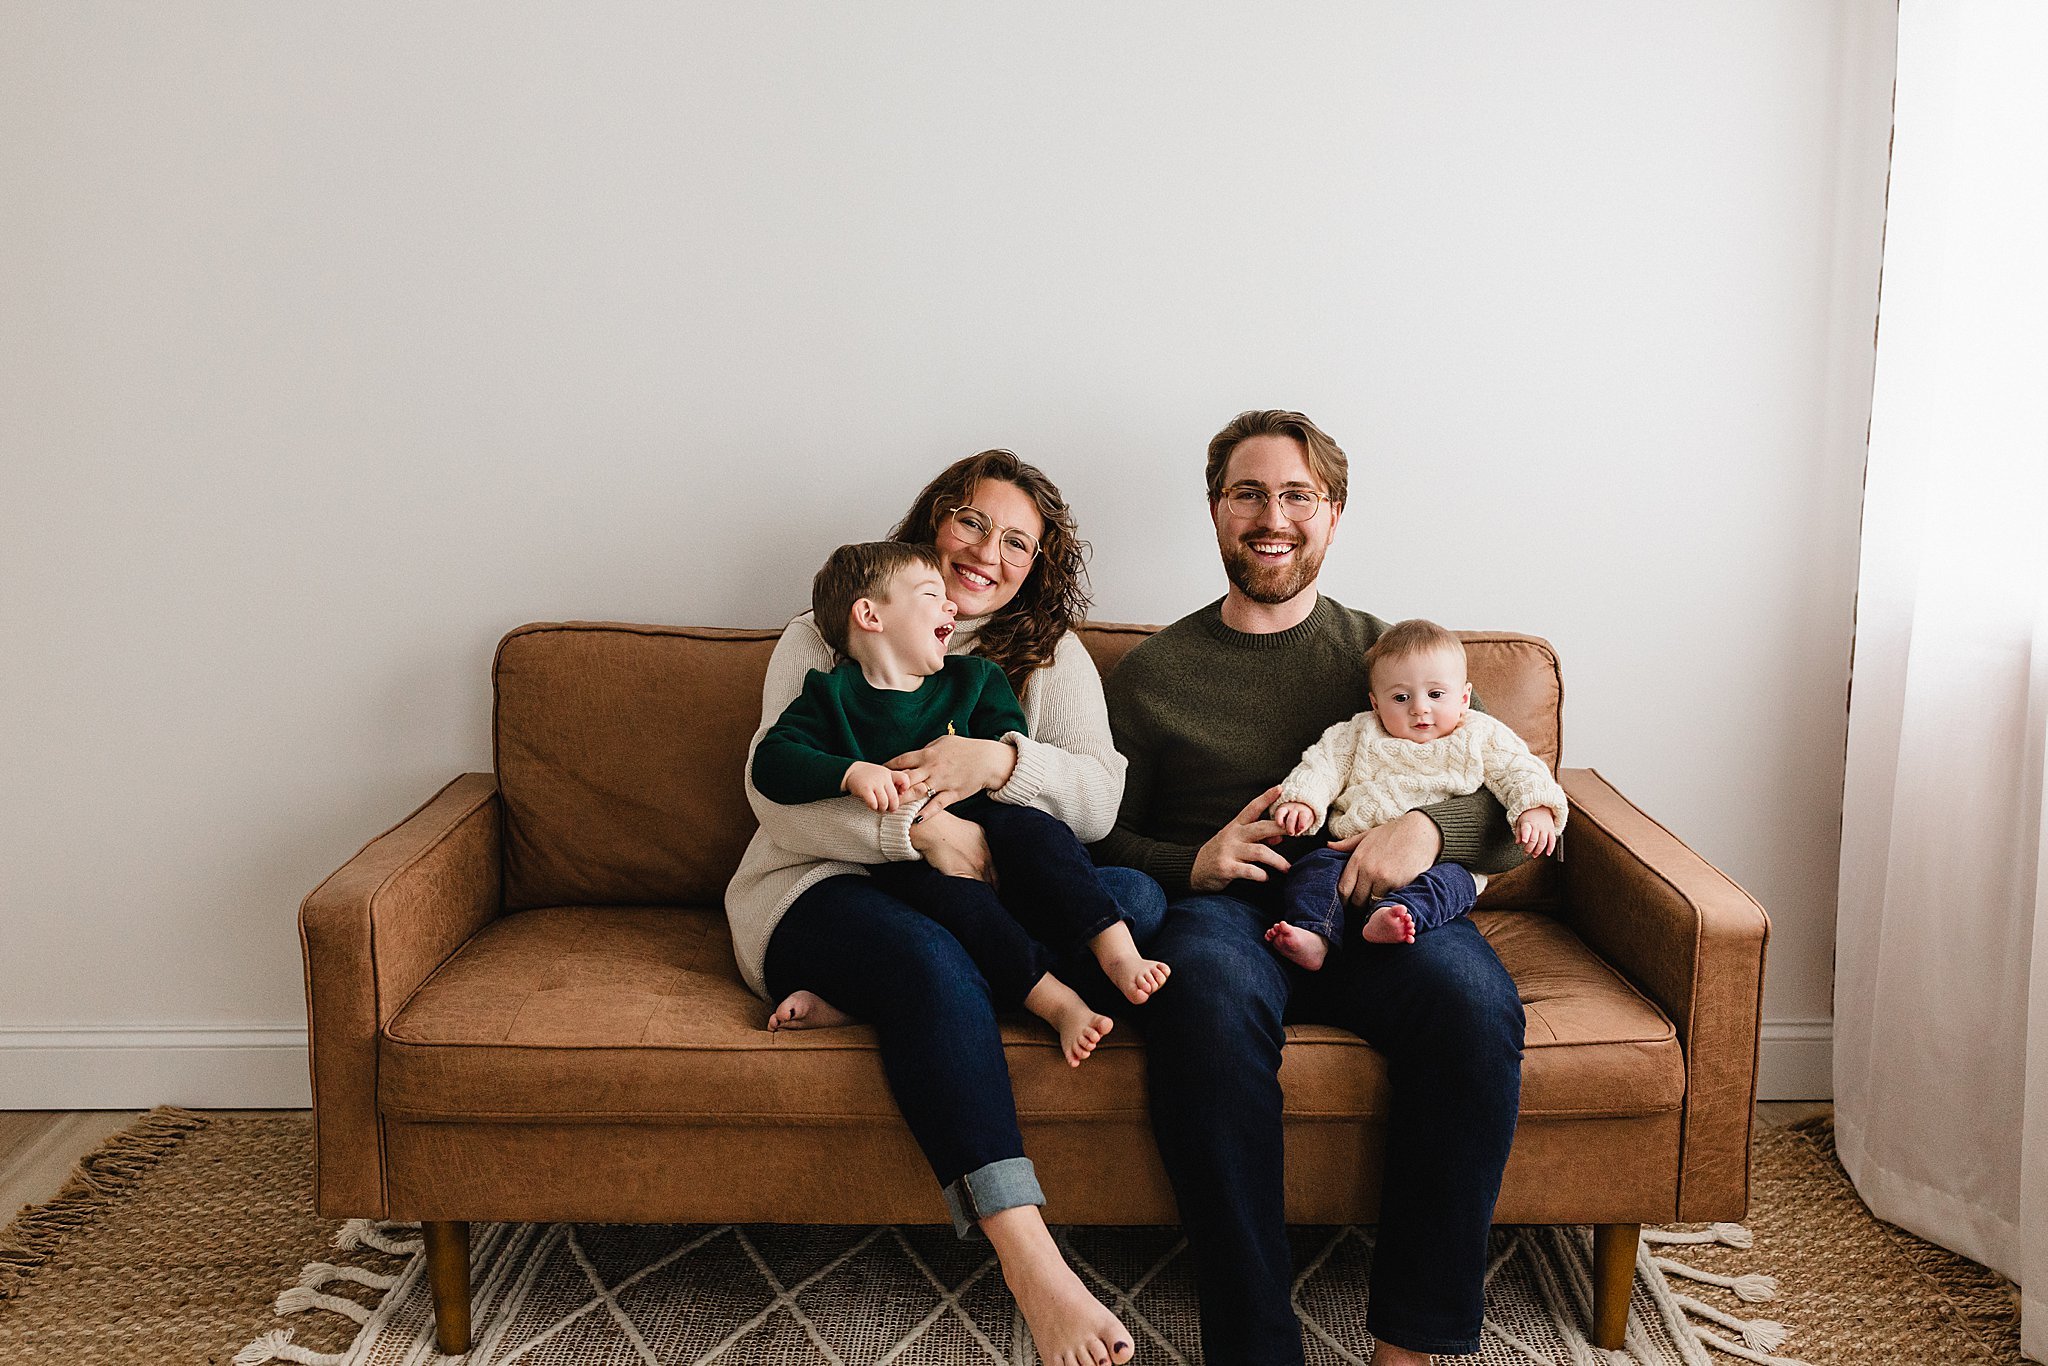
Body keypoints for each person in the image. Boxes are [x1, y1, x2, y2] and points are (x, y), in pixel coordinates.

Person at [1094, 410, 1529, 1366]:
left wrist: (1427, 828)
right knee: (1201, 1007)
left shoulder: (1401, 658)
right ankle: (1255, 1350)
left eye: (1298, 494)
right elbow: (1089, 831)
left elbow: (1512, 794)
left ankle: (1410, 1344)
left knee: (1473, 1004)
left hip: (1382, 911)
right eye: (1248, 493)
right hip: (1225, 915)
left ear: (1333, 515)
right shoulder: (1153, 673)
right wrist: (1192, 864)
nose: (1272, 516)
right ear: (1215, 511)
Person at [725, 450, 1152, 1366]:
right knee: (925, 955)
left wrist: (994, 764)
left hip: (980, 895)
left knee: (1138, 899)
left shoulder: (1045, 655)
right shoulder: (829, 632)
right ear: (934, 520)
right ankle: (1031, 1262)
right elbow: (774, 795)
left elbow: (1100, 801)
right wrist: (912, 836)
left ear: (1036, 566)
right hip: (822, 889)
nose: (987, 552)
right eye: (972, 522)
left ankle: (879, 1000)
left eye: (1017, 543)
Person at [750, 539, 1169, 1065]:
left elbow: (1010, 750)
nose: (950, 603)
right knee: (966, 921)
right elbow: (771, 764)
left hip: (996, 832)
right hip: (913, 871)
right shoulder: (828, 696)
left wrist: (991, 758)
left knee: (1040, 835)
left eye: (1017, 542)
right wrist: (849, 772)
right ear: (869, 615)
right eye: (931, 593)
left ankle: (1119, 953)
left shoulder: (975, 680)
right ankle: (1058, 1004)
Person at [1262, 616, 1567, 972]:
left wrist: (1536, 807)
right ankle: (1315, 934)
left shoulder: (1481, 734)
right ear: (1376, 704)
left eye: (1436, 695)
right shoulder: (1358, 733)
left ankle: (1396, 917)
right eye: (1401, 697)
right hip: (1349, 855)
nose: (1420, 708)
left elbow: (1520, 769)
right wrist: (1302, 801)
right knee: (1313, 870)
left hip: (1441, 862)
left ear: (1464, 697)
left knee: (1453, 885)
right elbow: (1322, 765)